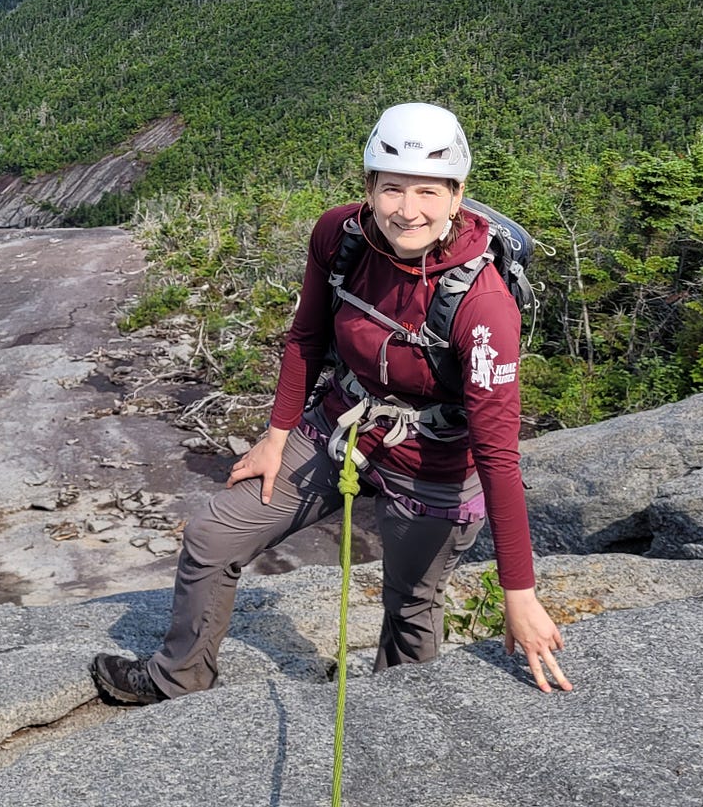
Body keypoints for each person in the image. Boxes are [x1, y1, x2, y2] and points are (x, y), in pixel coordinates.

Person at [91, 102, 572, 704]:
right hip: (341, 426)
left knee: (412, 611)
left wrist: (518, 594)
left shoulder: (483, 306)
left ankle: (398, 730)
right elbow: (308, 337)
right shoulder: (340, 237)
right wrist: (275, 436)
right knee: (214, 538)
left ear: (457, 195)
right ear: (369, 187)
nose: (408, 209)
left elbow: (499, 454)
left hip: (437, 462)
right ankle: (178, 677)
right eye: (392, 188)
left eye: (429, 191)